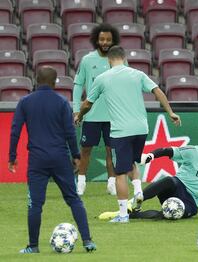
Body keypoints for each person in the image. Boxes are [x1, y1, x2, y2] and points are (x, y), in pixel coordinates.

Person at [75, 45, 181, 223]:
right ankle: (138, 190)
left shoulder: (102, 78)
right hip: (141, 128)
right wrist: (170, 112)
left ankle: (123, 214)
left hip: (120, 131)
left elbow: (87, 103)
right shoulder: (137, 74)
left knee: (120, 173)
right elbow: (158, 91)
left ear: (109, 60)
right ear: (124, 59)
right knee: (131, 160)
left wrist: (80, 115)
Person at [8, 66, 96, 253]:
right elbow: (70, 132)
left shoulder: (25, 102)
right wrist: (76, 155)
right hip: (60, 158)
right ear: (55, 82)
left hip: (37, 159)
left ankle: (33, 246)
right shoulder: (62, 102)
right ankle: (87, 241)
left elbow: (15, 130)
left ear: (35, 80)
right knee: (73, 199)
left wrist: (12, 157)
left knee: (35, 204)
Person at [73, 23, 142, 197]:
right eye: (102, 39)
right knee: (86, 149)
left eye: (108, 40)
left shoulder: (120, 60)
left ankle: (112, 183)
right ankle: (80, 182)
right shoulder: (87, 60)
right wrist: (76, 109)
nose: (105, 42)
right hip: (92, 115)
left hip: (114, 116)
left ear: (114, 41)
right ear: (96, 40)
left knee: (112, 150)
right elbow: (78, 84)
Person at [127, 126, 198, 220]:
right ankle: (132, 202)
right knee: (169, 180)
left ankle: (133, 215)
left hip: (191, 202)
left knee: (169, 214)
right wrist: (150, 155)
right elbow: (169, 151)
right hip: (177, 187)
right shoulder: (195, 152)